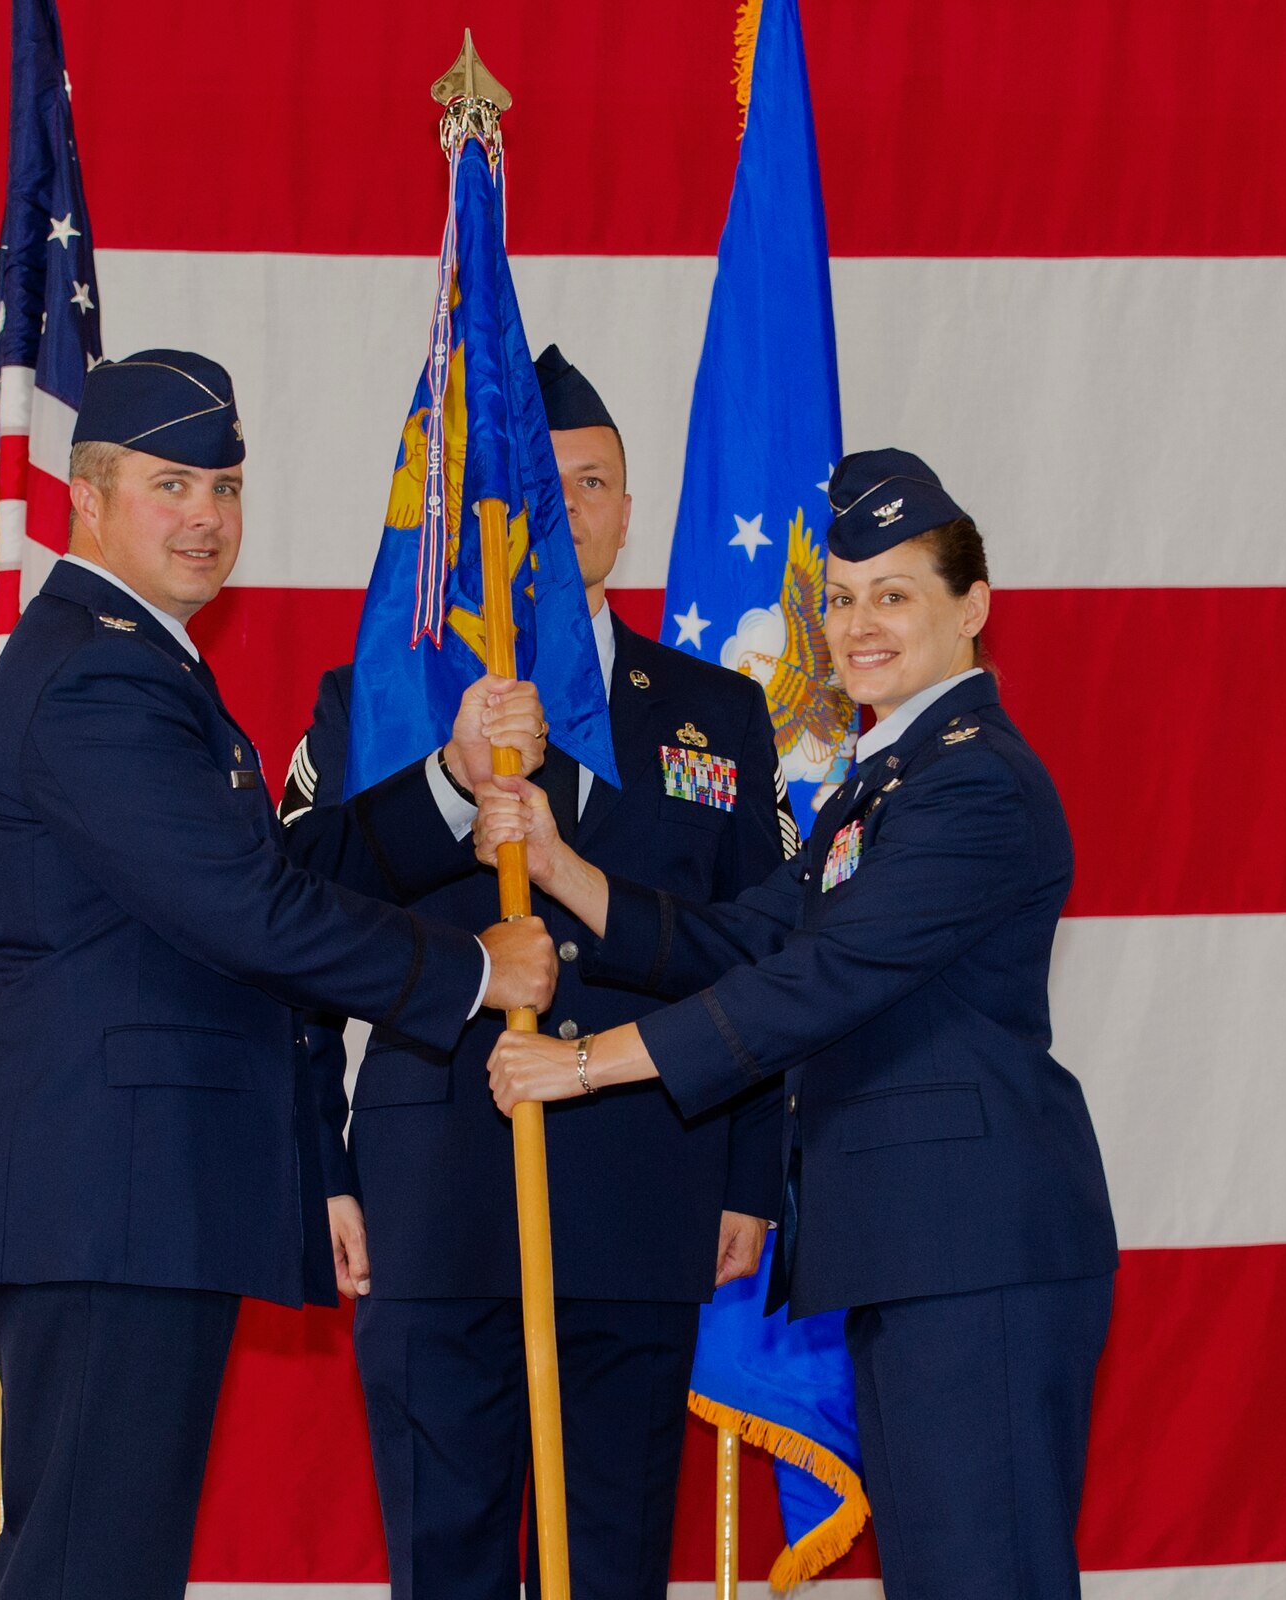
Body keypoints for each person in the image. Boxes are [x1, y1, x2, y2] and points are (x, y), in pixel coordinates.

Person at [0, 349, 558, 1600]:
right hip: (110, 1194)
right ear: (87, 496)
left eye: (223, 483)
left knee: (106, 1564)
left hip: (133, 1192)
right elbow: (247, 909)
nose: (207, 513)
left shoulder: (142, 660)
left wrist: (446, 786)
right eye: (171, 483)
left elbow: (268, 869)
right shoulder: (99, 672)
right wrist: (471, 970)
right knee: (88, 1571)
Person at [477, 449, 1120, 1600]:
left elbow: (816, 981)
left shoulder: (971, 786)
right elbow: (747, 936)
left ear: (972, 607)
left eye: (894, 593)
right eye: (839, 595)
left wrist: (581, 1064)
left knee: (985, 1575)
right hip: (915, 1245)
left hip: (972, 1251)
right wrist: (565, 868)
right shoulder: (888, 782)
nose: (857, 623)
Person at [276, 346, 797, 1600]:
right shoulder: (387, 699)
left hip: (642, 1177)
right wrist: (324, 1169)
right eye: (533, 487)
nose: (562, 511)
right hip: (431, 1188)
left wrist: (747, 1175)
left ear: (626, 509)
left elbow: (763, 953)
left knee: (609, 1559)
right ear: (481, 525)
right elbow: (289, 924)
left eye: (591, 484)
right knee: (442, 1557)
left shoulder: (712, 714)